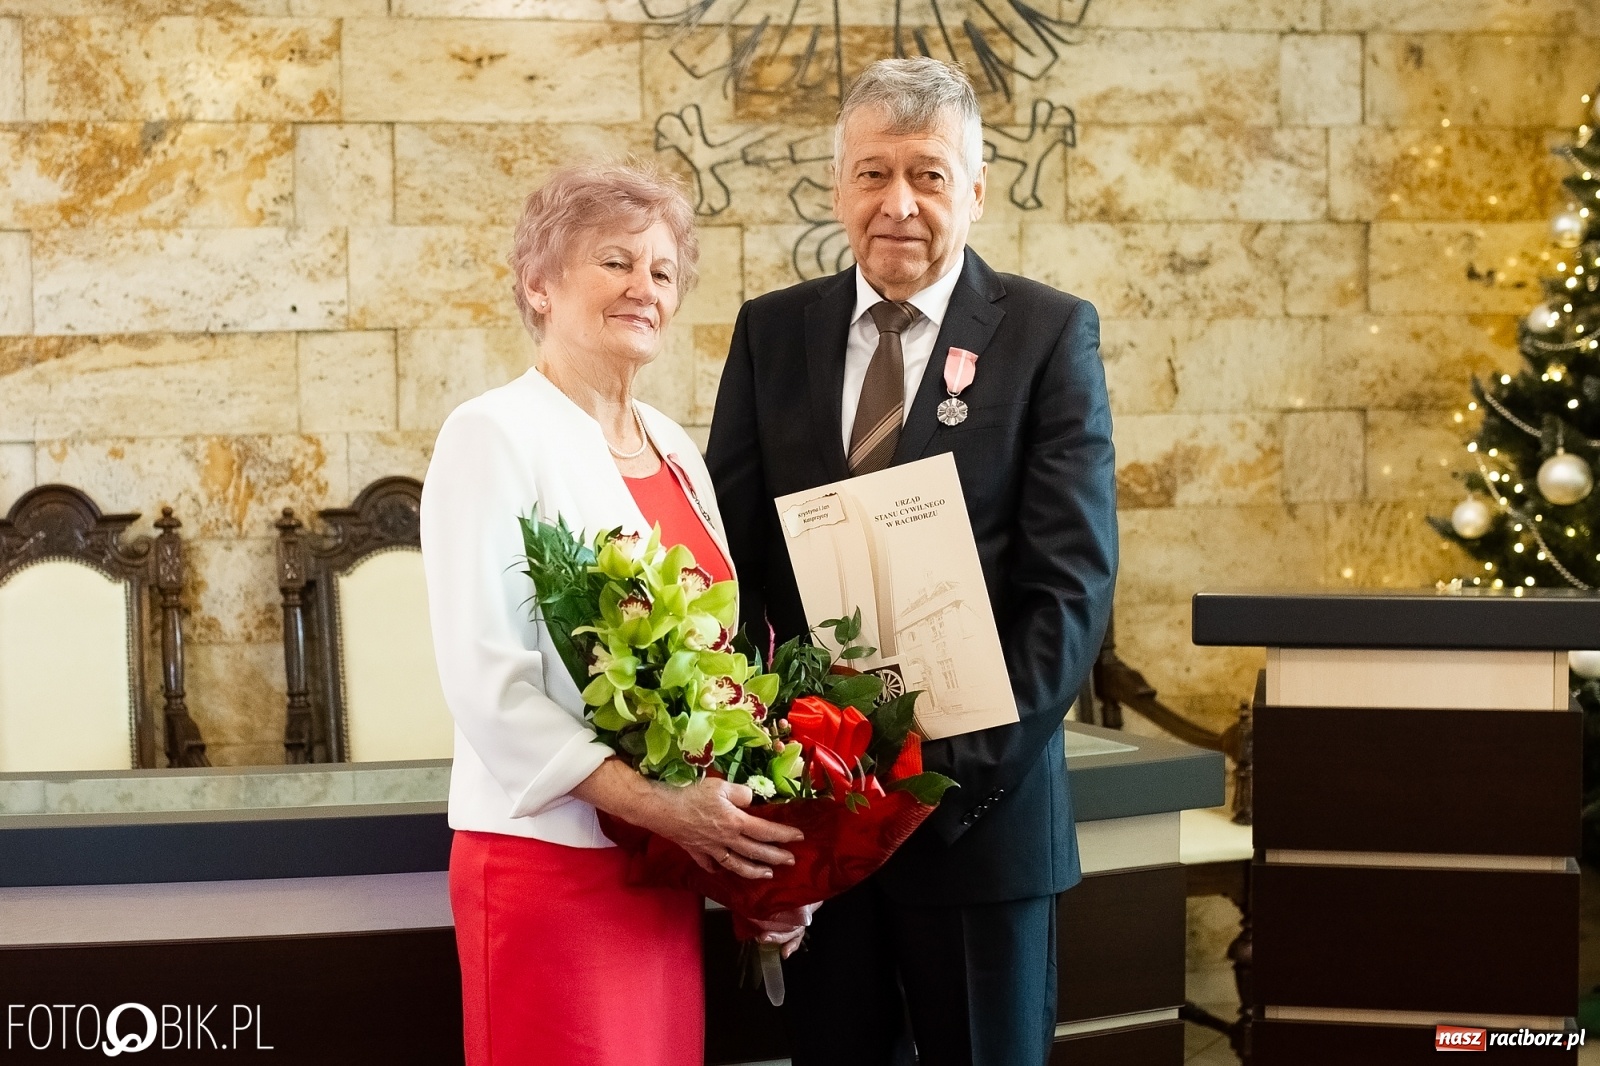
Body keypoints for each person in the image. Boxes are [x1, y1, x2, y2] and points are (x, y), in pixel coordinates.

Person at [706, 58, 1118, 1066]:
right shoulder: (770, 332)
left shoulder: (1047, 333)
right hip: (819, 821)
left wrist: (929, 782)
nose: (898, 204)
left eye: (929, 175)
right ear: (837, 186)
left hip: (977, 827)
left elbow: (1069, 589)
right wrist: (796, 767)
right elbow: (734, 560)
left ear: (975, 189)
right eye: (872, 172)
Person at [420, 161, 807, 1066]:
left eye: (664, 272)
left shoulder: (674, 447)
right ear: (539, 283)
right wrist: (667, 810)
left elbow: (717, 673)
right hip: (548, 865)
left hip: (661, 877)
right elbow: (490, 685)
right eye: (616, 263)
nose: (646, 289)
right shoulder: (492, 434)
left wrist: (748, 860)